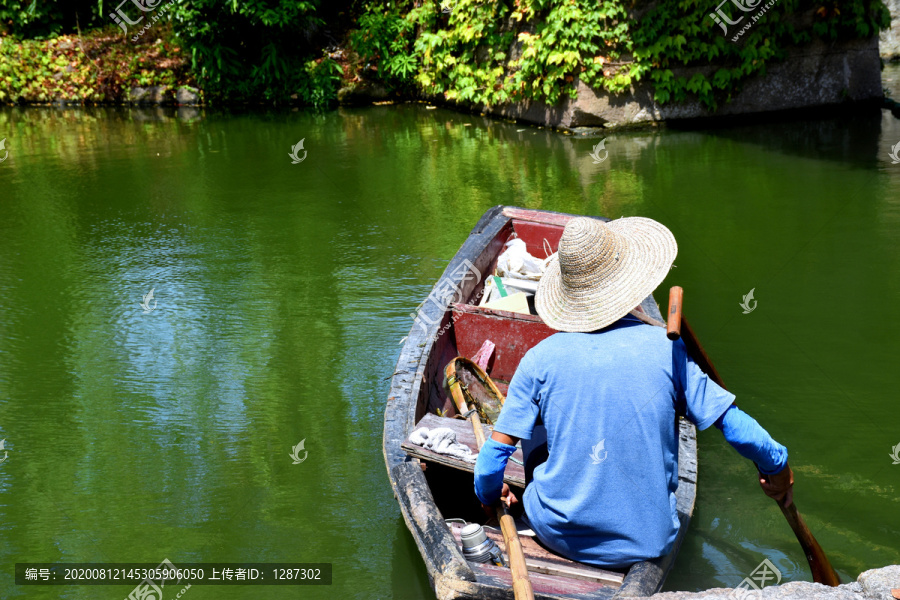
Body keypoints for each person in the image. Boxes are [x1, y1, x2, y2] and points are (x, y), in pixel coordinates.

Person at [473, 216, 793, 570]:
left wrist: (491, 498)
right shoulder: (667, 349)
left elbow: (490, 464)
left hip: (557, 533)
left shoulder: (539, 359)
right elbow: (739, 430)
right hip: (648, 540)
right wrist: (777, 468)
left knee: (534, 430)